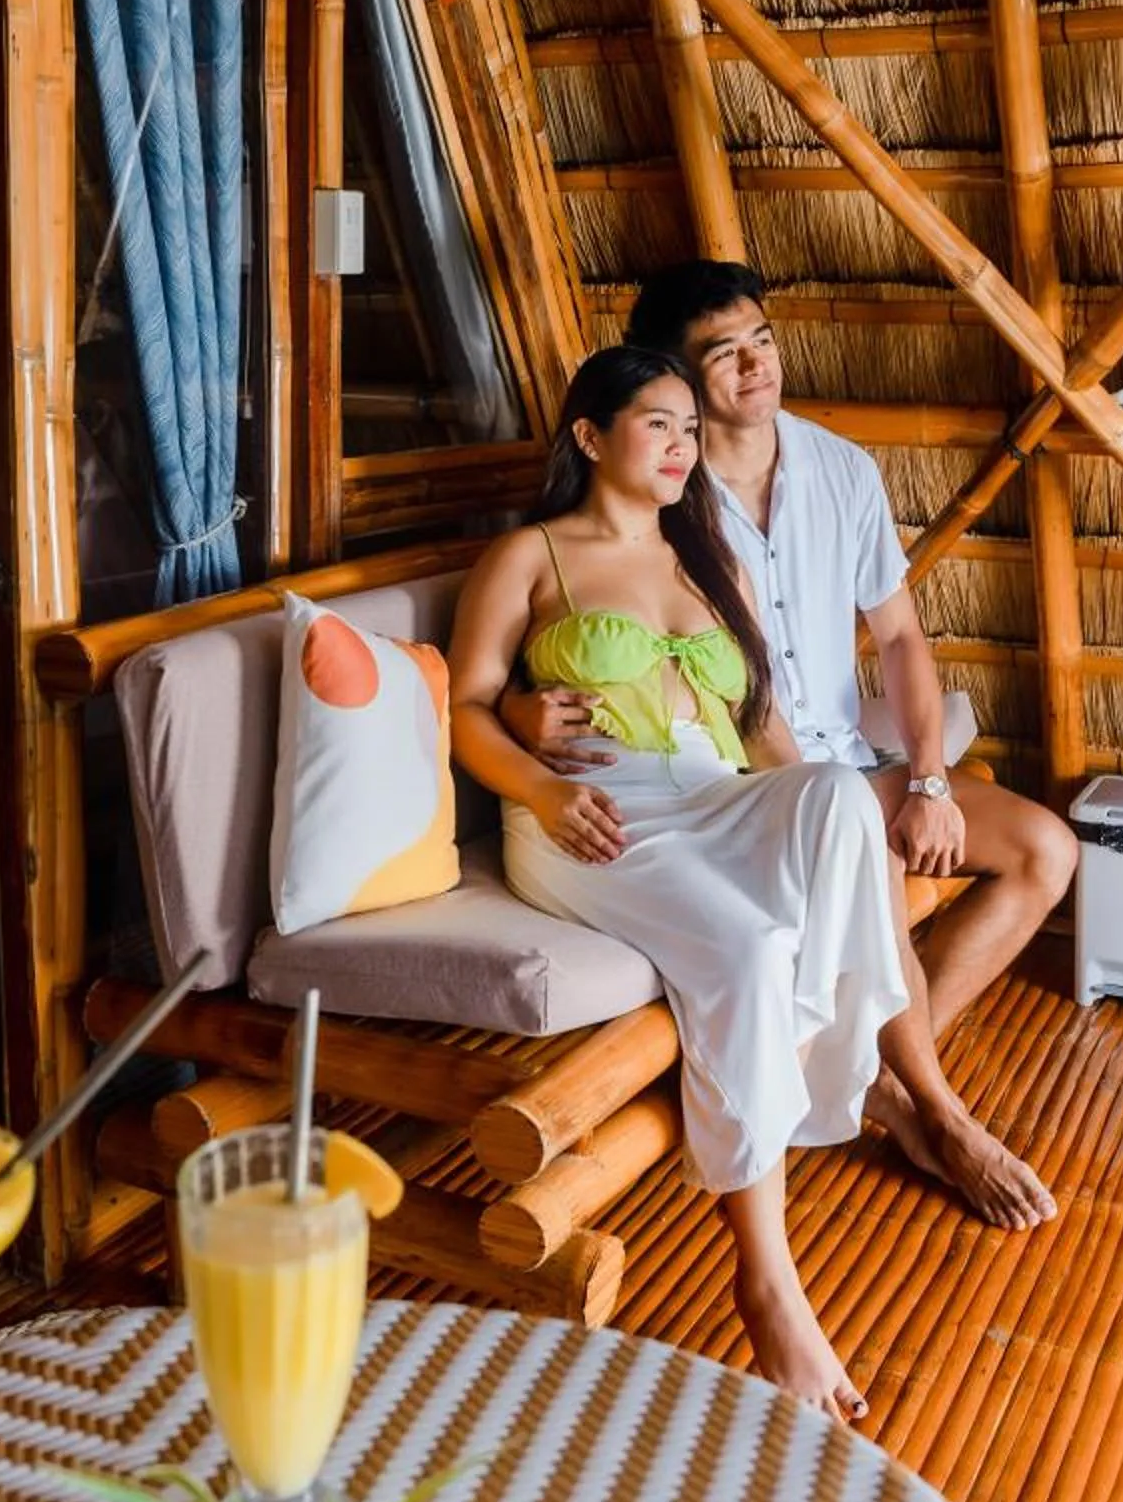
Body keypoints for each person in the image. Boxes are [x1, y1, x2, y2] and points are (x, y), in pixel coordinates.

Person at [446, 346, 1051, 1425]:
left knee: (835, 803)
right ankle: (767, 1282)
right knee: (750, 949)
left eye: (689, 429)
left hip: (711, 790)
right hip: (594, 812)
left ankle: (877, 1076)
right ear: (589, 435)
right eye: (657, 425)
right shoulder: (530, 555)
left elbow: (762, 728)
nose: (682, 447)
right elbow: (465, 708)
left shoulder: (700, 553)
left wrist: (810, 814)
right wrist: (535, 779)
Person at [507, 261, 1082, 1048]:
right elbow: (574, 630)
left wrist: (928, 780)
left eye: (763, 340)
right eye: (724, 352)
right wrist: (516, 707)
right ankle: (899, 1084)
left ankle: (881, 1071)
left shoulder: (844, 470)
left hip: (850, 767)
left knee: (1046, 850)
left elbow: (902, 636)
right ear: (677, 375)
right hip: (738, 783)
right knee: (866, 867)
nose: (757, 364)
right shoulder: (660, 489)